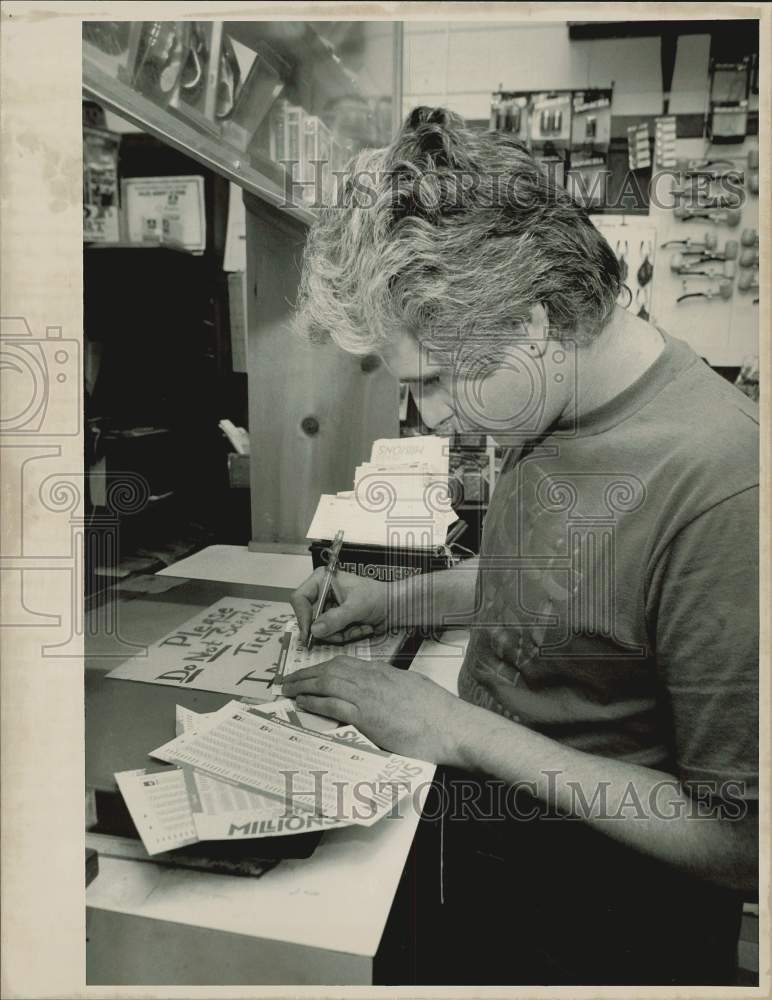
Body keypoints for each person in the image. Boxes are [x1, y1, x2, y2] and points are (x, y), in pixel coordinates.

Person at [283, 107, 759, 985]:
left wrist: (460, 732)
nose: (427, 413)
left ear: (534, 321)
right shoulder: (546, 408)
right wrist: (395, 603)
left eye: (434, 379)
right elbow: (554, 585)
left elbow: (744, 842)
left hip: (603, 938)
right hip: (483, 870)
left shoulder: (727, 487)